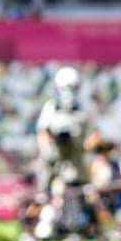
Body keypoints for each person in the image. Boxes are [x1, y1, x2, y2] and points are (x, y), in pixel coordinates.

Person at [35, 66, 89, 195]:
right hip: (55, 155)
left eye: (72, 88)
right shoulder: (51, 108)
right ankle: (42, 195)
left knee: (87, 190)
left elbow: (91, 136)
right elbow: (42, 132)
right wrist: (47, 150)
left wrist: (83, 147)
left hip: (76, 156)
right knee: (44, 184)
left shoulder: (82, 109)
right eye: (64, 88)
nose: (67, 93)